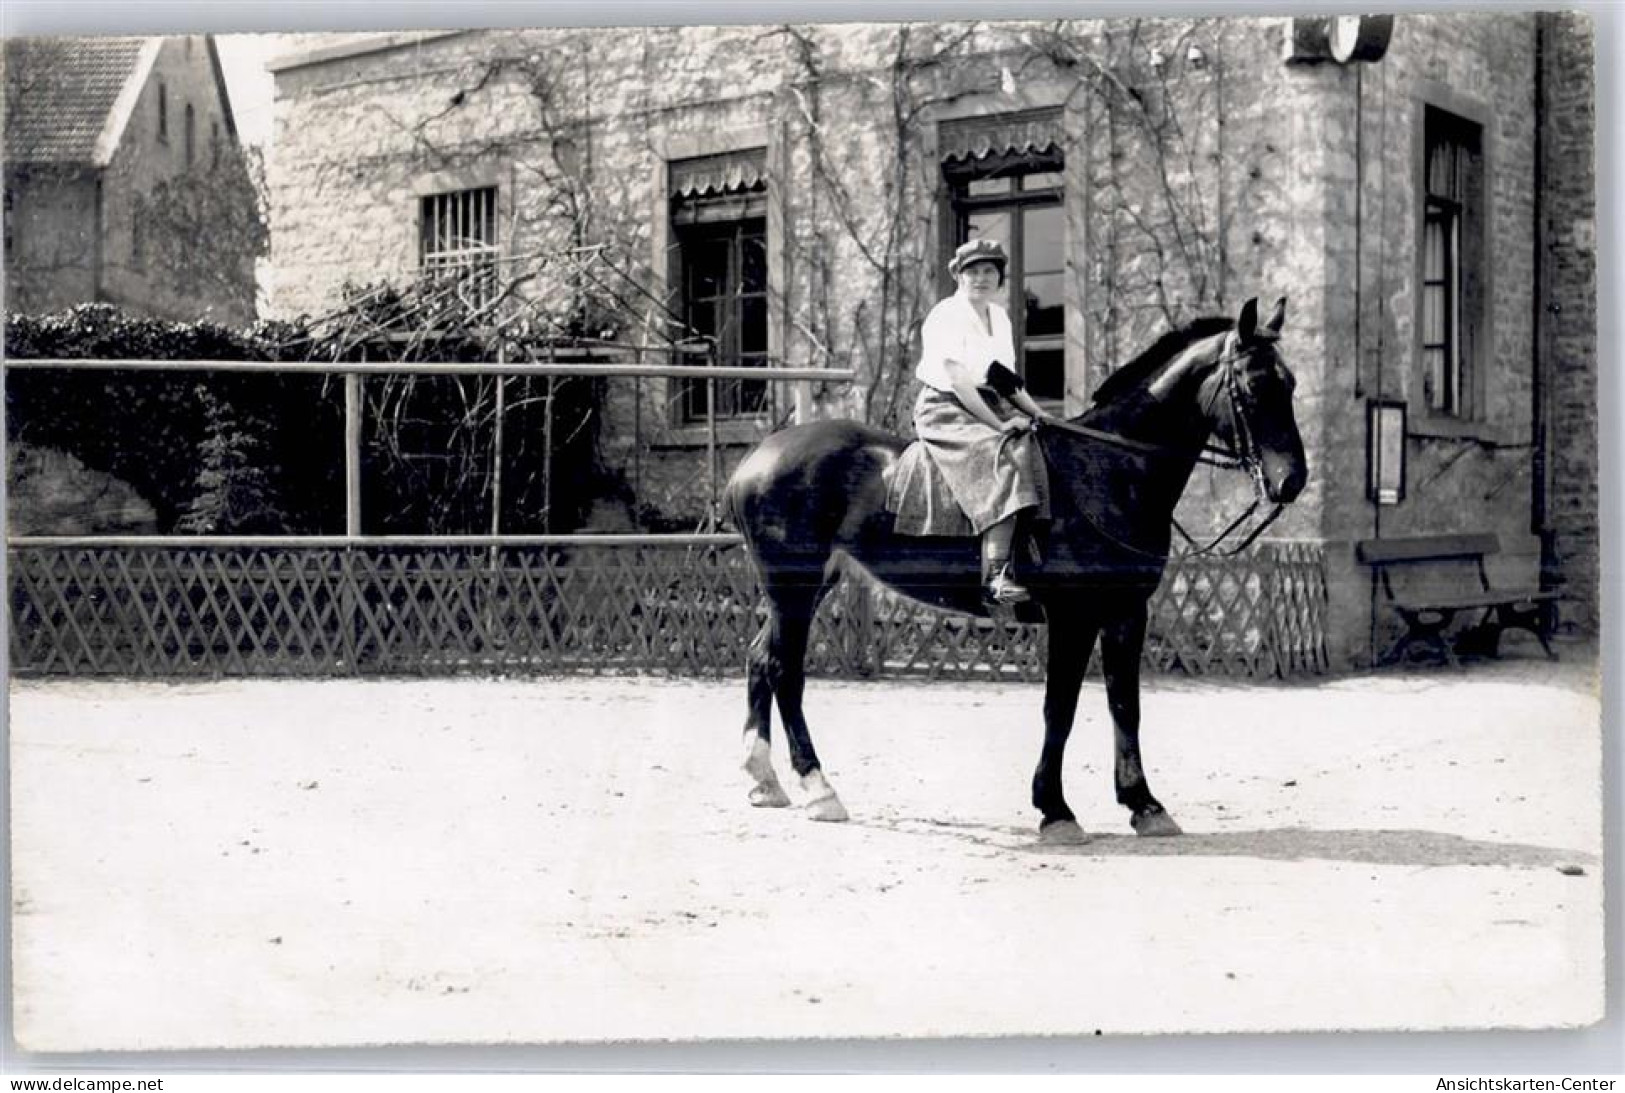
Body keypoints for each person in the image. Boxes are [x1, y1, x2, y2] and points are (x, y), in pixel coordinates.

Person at [913, 237, 1055, 606]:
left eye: (989, 271)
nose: (981, 278)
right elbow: (959, 381)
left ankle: (1033, 553)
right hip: (944, 407)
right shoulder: (946, 315)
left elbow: (1002, 377)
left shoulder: (1000, 317)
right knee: (1002, 456)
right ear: (958, 276)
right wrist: (998, 426)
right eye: (972, 271)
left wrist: (1037, 412)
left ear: (999, 277)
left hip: (986, 401)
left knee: (1039, 446)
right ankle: (995, 576)